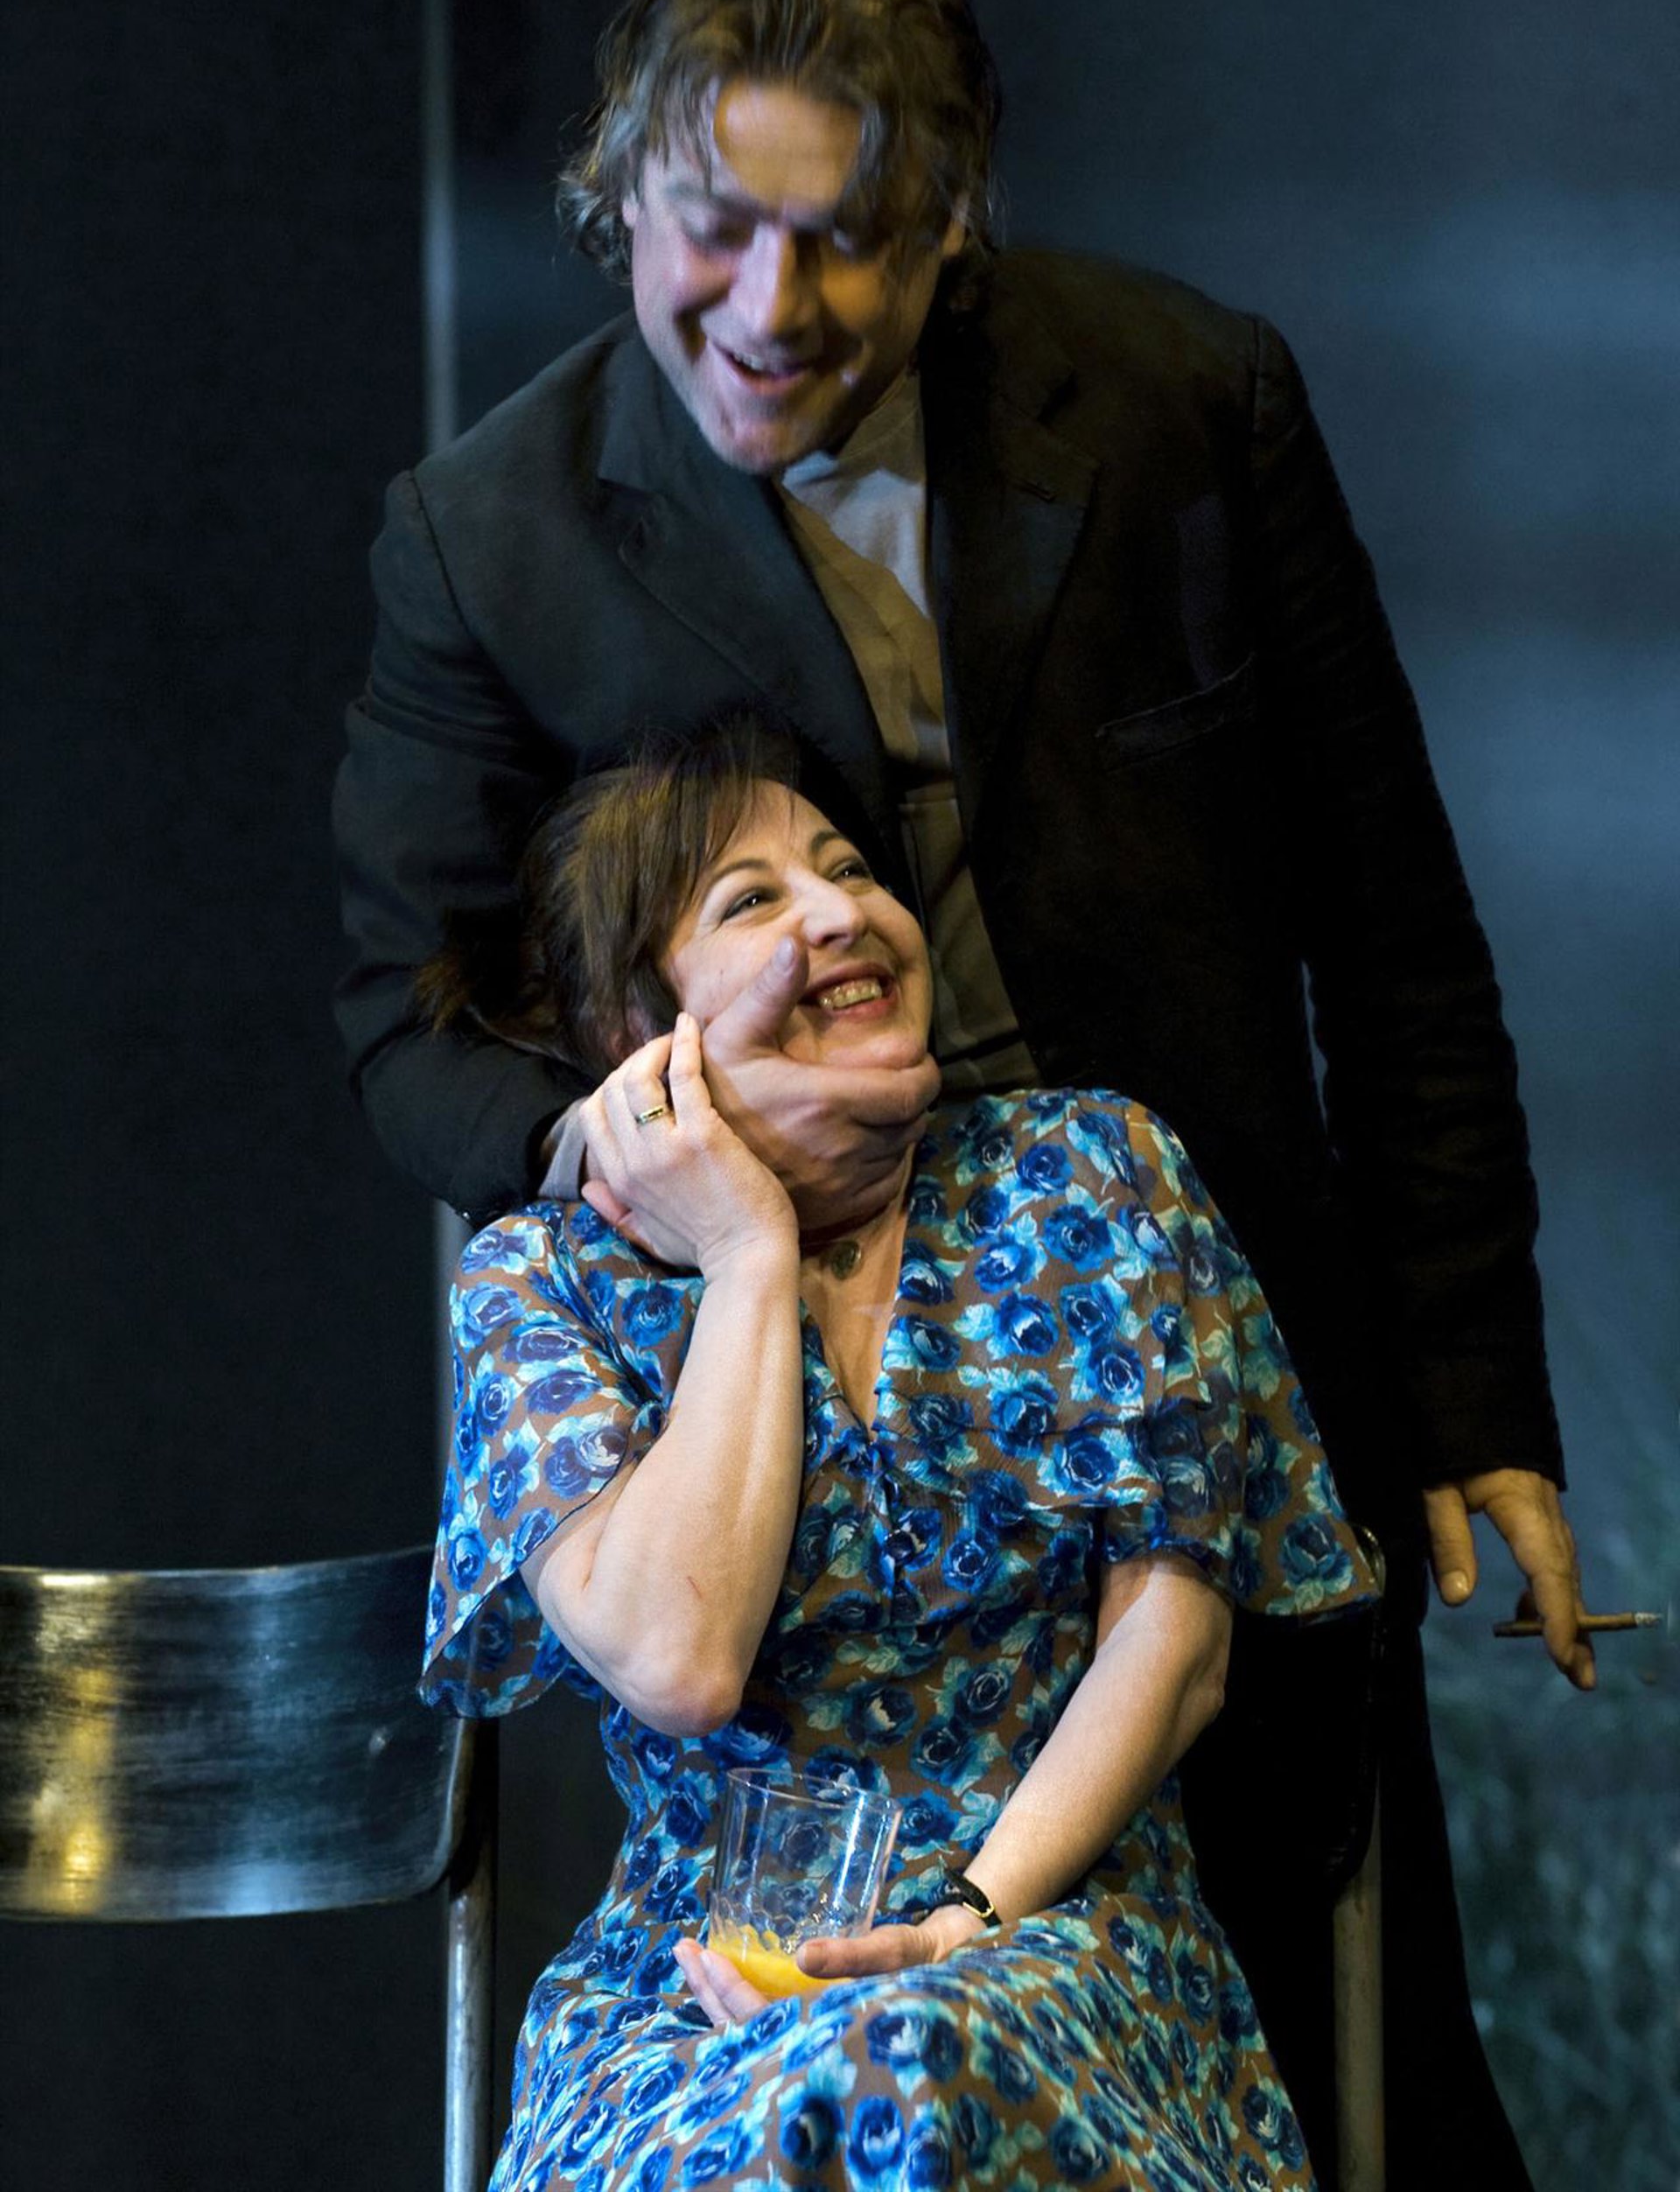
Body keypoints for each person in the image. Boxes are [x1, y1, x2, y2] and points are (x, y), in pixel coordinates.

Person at [336, 0, 1588, 2180]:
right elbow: (405, 1023)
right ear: (624, 193)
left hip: (1172, 1335)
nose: (772, 308)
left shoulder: (1187, 400)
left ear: (950, 228)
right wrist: (682, 1172)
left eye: (848, 241)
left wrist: (1469, 1383)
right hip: (796, 1457)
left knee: (1364, 2067)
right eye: (717, 229)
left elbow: (1394, 931)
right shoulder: (491, 536)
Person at [421, 724, 1382, 2192]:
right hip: (696, 1995)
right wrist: (747, 1250)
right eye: (753, 901)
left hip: (1057, 1943)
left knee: (909, 2065)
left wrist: (969, 1920)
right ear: (633, 1030)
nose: (841, 913)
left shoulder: (1090, 1173)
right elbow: (682, 1663)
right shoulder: (543, 1286)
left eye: (851, 870)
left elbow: (1177, 1647)